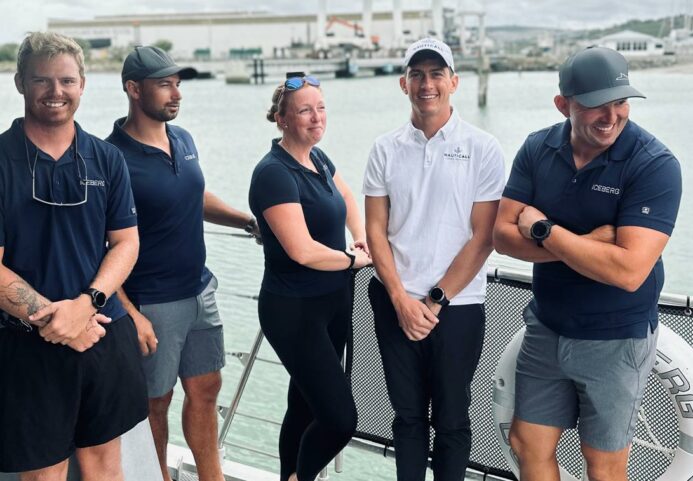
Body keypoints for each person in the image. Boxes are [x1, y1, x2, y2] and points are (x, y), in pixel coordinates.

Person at [493, 46, 682, 481]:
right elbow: (502, 236)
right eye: (597, 104)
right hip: (547, 326)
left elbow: (629, 272)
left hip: (616, 338)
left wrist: (545, 231)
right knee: (527, 445)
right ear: (564, 105)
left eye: (620, 102)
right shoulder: (538, 147)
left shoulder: (654, 165)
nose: (611, 116)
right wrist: (590, 244)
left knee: (604, 465)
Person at [105, 46, 260, 481]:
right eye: (164, 85)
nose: (176, 94)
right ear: (133, 89)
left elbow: (195, 195)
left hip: (199, 290)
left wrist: (246, 221)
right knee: (156, 403)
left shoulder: (183, 139)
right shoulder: (110, 157)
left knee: (207, 389)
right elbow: (100, 246)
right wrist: (129, 313)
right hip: (151, 302)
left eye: (177, 84)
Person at [0, 32, 147, 479]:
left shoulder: (105, 159)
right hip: (28, 346)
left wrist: (87, 305)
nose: (55, 92)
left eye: (66, 80)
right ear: (20, 83)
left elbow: (126, 241)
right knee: (44, 472)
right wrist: (54, 320)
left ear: (83, 84)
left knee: (105, 466)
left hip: (103, 332)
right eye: (42, 80)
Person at [363, 38, 506, 481]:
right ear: (404, 83)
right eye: (418, 75)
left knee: (452, 420)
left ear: (454, 82)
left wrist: (436, 299)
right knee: (407, 418)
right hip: (395, 302)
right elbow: (374, 231)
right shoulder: (384, 149)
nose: (428, 84)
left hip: (457, 307)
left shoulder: (484, 148)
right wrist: (402, 302)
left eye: (437, 74)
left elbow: (484, 236)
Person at [248, 73, 370, 481]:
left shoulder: (317, 159)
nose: (316, 118)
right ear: (281, 118)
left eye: (321, 108)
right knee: (339, 420)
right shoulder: (274, 173)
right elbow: (301, 250)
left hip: (333, 303)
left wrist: (363, 238)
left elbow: (348, 197)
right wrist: (354, 261)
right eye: (304, 110)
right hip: (294, 310)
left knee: (304, 406)